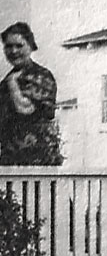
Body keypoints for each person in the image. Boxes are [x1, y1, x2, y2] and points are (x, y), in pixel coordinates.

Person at [0, 22, 63, 165]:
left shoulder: (41, 76)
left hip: (39, 160)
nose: (14, 51)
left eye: (19, 45)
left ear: (30, 46)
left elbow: (25, 108)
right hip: (10, 160)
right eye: (8, 46)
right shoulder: (6, 82)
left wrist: (12, 84)